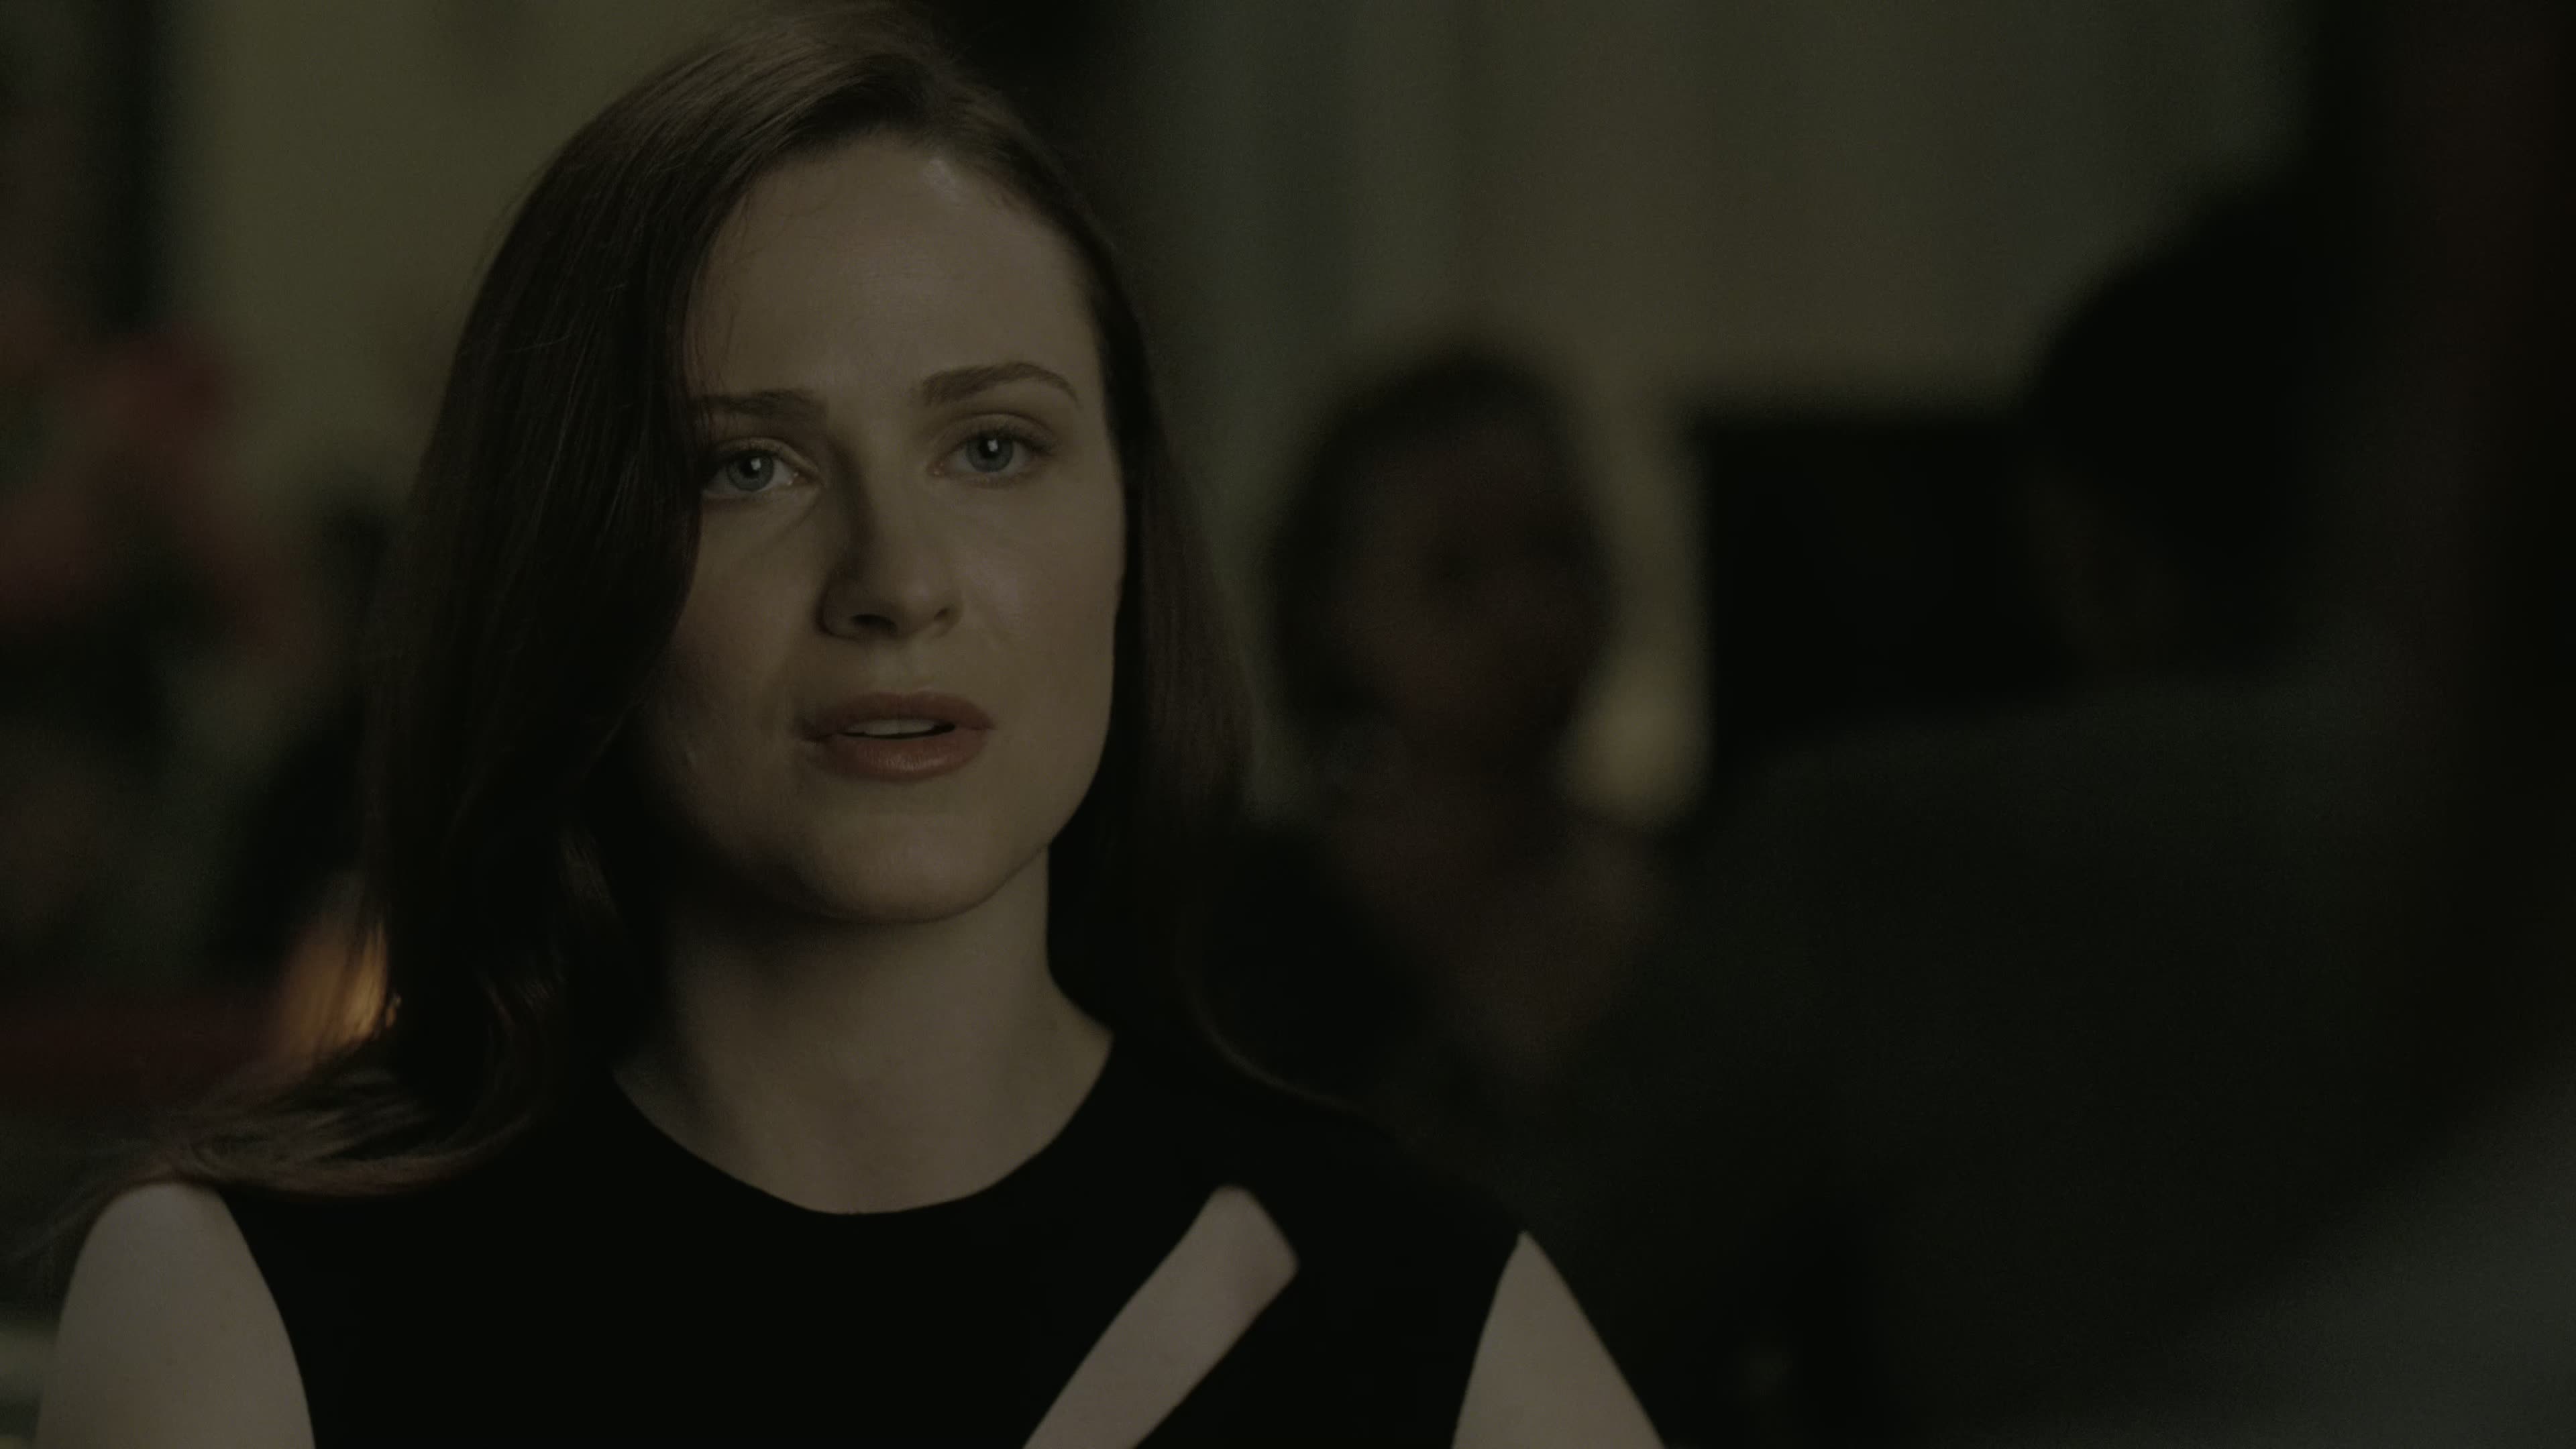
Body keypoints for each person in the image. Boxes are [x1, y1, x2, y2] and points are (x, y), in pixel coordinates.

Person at [35, 9, 1657, 1446]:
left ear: (1128, 530)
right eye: (748, 467)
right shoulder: (250, 1301)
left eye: (994, 448)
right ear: (567, 567)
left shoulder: (1423, 1315)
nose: (897, 580)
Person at [1207, 350, 1664, 1175]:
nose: (1525, 611)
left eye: (1559, 551)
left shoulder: (1695, 887)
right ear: (1335, 613)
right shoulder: (1234, 926)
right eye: (1454, 574)